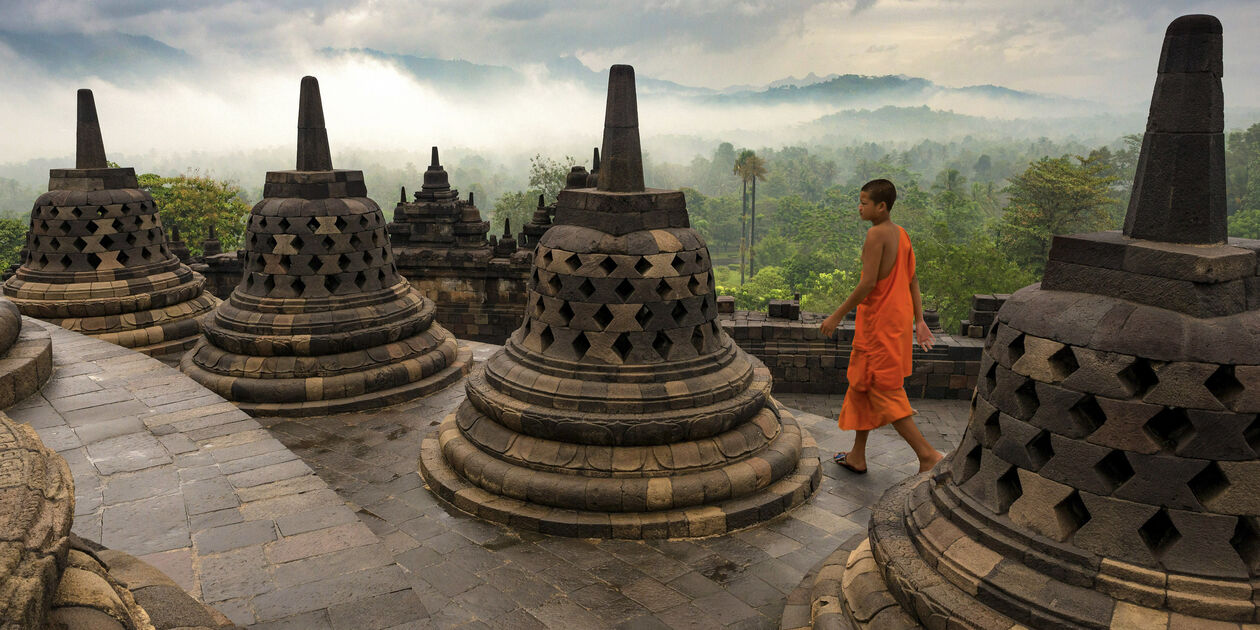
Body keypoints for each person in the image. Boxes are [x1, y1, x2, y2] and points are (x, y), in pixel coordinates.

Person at [819, 179, 942, 474]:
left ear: (881, 206)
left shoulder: (876, 235)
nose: (859, 208)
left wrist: (836, 315)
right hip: (895, 323)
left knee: (884, 390)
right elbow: (912, 279)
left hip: (879, 325)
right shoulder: (902, 234)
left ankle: (927, 455)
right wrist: (919, 320)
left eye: (864, 203)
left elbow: (868, 283)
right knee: (862, 384)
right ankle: (857, 455)